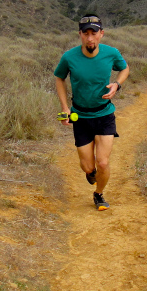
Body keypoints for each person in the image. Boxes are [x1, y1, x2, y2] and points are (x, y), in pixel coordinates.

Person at [54, 14, 129, 210]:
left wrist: (117, 85)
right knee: (88, 166)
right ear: (80, 34)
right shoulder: (69, 57)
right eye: (85, 34)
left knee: (103, 163)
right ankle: (90, 172)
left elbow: (124, 68)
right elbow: (59, 79)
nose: (89, 38)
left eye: (93, 33)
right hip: (80, 116)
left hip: (104, 114)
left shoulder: (111, 53)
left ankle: (98, 194)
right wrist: (64, 108)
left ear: (101, 34)